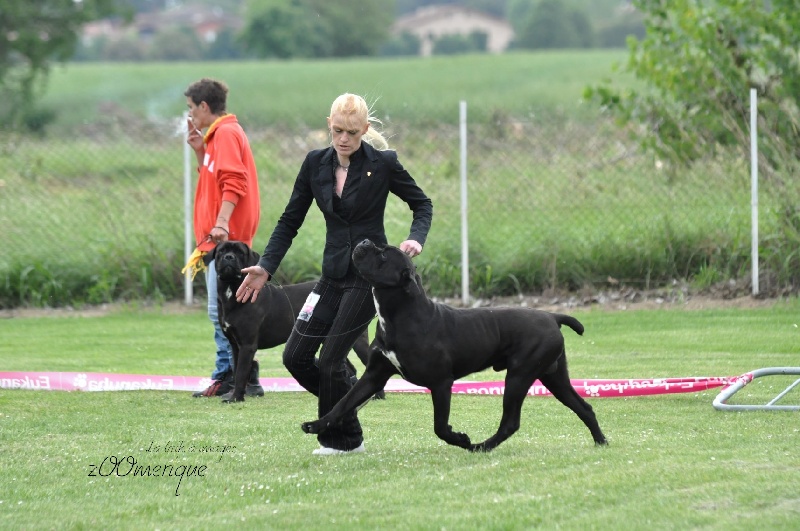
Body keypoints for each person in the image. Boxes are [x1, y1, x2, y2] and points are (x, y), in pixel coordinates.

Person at [236, 93, 433, 455]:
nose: (344, 139)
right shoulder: (315, 164)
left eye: (353, 133)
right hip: (330, 277)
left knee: (330, 360)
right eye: (338, 130)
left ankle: (342, 441)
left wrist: (415, 239)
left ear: (365, 130)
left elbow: (422, 204)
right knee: (294, 356)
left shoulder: (383, 163)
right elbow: (289, 220)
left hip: (367, 279)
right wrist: (265, 267)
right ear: (329, 124)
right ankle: (350, 403)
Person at [182, 78, 263, 399]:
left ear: (204, 106)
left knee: (221, 313)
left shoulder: (227, 134)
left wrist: (221, 223)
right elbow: (215, 176)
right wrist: (200, 151)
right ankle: (247, 376)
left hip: (225, 241)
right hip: (221, 238)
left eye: (191, 107)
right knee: (231, 311)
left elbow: (234, 181)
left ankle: (227, 376)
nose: (189, 113)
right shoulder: (216, 137)